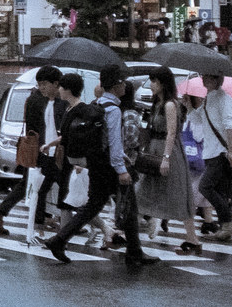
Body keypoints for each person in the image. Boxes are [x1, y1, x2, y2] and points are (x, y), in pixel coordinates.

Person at [46, 67, 155, 268]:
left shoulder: (95, 105)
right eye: (122, 82)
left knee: (92, 206)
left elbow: (103, 140)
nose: (125, 85)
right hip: (109, 167)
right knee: (129, 206)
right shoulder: (112, 110)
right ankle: (134, 252)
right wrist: (121, 169)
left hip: (95, 164)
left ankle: (59, 240)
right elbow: (113, 142)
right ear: (115, 86)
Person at [0, 66, 65, 237]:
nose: (43, 87)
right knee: (42, 187)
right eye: (41, 84)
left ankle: (1, 214)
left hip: (38, 148)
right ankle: (46, 223)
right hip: (45, 150)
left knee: (30, 185)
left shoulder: (34, 98)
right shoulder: (45, 100)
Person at [135, 70, 202, 255]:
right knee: (143, 191)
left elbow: (172, 132)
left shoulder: (171, 105)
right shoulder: (158, 104)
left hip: (168, 151)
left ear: (163, 83)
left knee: (178, 193)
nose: (151, 85)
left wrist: (166, 158)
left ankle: (192, 238)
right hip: (156, 149)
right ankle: (127, 231)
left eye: (154, 81)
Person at [189, 72, 232, 244]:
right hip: (209, 151)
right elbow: (197, 120)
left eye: (208, 77)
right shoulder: (209, 98)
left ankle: (229, 219)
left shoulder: (223, 98)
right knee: (218, 190)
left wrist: (231, 150)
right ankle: (225, 227)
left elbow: (229, 125)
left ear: (216, 80)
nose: (203, 79)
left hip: (220, 152)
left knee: (205, 187)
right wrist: (189, 106)